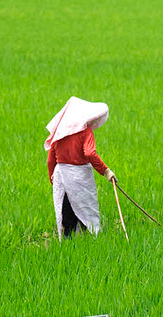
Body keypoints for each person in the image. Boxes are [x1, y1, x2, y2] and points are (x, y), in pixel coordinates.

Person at [45, 96, 119, 239]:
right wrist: (106, 171)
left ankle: (68, 246)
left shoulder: (59, 133)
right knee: (86, 214)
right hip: (80, 177)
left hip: (61, 176)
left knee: (66, 214)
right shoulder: (85, 132)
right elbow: (90, 153)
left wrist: (52, 177)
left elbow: (50, 160)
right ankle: (87, 244)